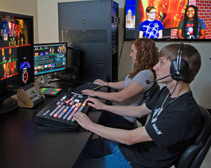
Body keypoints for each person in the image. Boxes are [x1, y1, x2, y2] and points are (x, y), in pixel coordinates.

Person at [73, 43, 202, 168]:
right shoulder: (166, 93)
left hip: (136, 162)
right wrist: (103, 107)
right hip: (131, 149)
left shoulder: (183, 113)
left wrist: (90, 125)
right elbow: (139, 110)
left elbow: (130, 138)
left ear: (178, 70)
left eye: (161, 62)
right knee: (75, 151)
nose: (156, 67)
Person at [81, 38, 158, 129]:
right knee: (89, 107)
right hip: (119, 109)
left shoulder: (144, 75)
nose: (130, 55)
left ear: (142, 54)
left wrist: (94, 93)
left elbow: (120, 97)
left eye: (132, 51)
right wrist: (106, 84)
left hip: (123, 117)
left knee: (86, 115)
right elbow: (126, 83)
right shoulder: (144, 71)